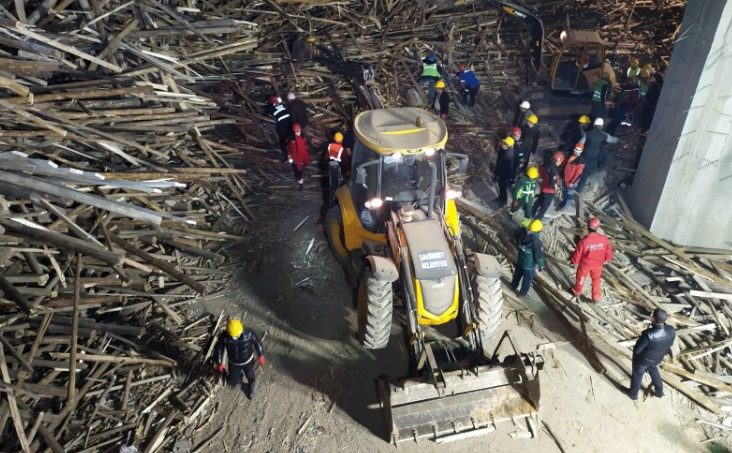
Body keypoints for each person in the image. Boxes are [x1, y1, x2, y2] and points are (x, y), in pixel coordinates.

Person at [627, 308, 676, 400]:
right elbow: (671, 344)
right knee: (654, 371)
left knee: (637, 375)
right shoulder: (671, 330)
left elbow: (637, 350)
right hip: (657, 358)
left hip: (643, 360)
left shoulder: (648, 334)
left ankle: (633, 395)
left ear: (653, 319)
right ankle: (659, 392)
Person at [213, 319, 265, 400]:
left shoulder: (248, 333)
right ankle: (238, 380)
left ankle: (252, 387)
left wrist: (261, 354)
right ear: (230, 334)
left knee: (250, 376)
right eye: (236, 335)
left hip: (247, 361)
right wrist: (219, 363)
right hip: (233, 363)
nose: (238, 335)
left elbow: (257, 342)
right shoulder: (224, 337)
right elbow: (219, 349)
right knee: (234, 377)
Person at [570, 217, 613, 303]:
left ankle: (576, 292)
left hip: (585, 264)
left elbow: (577, 253)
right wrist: (607, 259)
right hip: (598, 264)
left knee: (581, 278)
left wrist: (574, 262)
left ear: (587, 227)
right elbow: (608, 250)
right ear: (597, 228)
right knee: (596, 279)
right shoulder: (604, 239)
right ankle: (596, 298)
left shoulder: (584, 241)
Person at [576, 118, 618, 193]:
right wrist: (619, 139)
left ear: (594, 125)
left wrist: (577, 153)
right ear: (601, 126)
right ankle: (593, 178)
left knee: (583, 174)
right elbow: (613, 140)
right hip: (595, 157)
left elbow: (580, 143)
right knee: (592, 169)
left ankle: (579, 189)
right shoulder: (605, 135)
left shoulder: (587, 133)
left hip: (585, 157)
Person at [511, 219, 545, 297]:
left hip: (520, 260)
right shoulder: (537, 242)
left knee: (517, 274)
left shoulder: (522, 235)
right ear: (539, 231)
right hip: (529, 265)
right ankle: (523, 293)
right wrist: (541, 266)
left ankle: (513, 285)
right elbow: (539, 257)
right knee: (527, 280)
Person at [531, 152, 564, 221]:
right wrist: (556, 188)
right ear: (556, 161)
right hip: (549, 190)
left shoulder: (547, 164)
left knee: (539, 200)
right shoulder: (553, 170)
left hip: (543, 187)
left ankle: (531, 212)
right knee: (545, 205)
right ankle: (539, 217)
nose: (560, 163)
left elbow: (541, 170)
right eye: (560, 161)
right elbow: (553, 181)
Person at [264, 95, 291, 161]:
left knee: (283, 138)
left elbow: (266, 112)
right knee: (290, 136)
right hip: (289, 120)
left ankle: (286, 154)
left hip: (282, 123)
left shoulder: (270, 107)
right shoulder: (281, 104)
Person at [560, 143, 586, 210]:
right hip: (565, 178)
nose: (575, 152)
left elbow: (578, 173)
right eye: (575, 150)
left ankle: (567, 206)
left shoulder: (581, 161)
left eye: (577, 151)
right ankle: (564, 202)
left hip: (571, 181)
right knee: (564, 191)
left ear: (580, 152)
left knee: (570, 193)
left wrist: (573, 182)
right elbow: (565, 165)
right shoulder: (571, 156)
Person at [287, 123, 311, 190]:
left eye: (299, 131)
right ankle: (301, 183)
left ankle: (301, 177)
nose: (298, 133)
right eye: (297, 131)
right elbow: (287, 147)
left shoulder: (302, 135)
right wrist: (288, 154)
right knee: (298, 170)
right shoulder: (290, 137)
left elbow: (304, 144)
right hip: (295, 156)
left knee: (301, 166)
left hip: (301, 154)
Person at [494, 136, 515, 207]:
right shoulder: (504, 150)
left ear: (508, 145)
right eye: (503, 142)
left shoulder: (508, 154)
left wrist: (497, 174)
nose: (502, 144)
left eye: (504, 143)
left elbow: (502, 165)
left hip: (505, 174)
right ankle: (500, 198)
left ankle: (503, 202)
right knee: (501, 186)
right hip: (501, 172)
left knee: (503, 188)